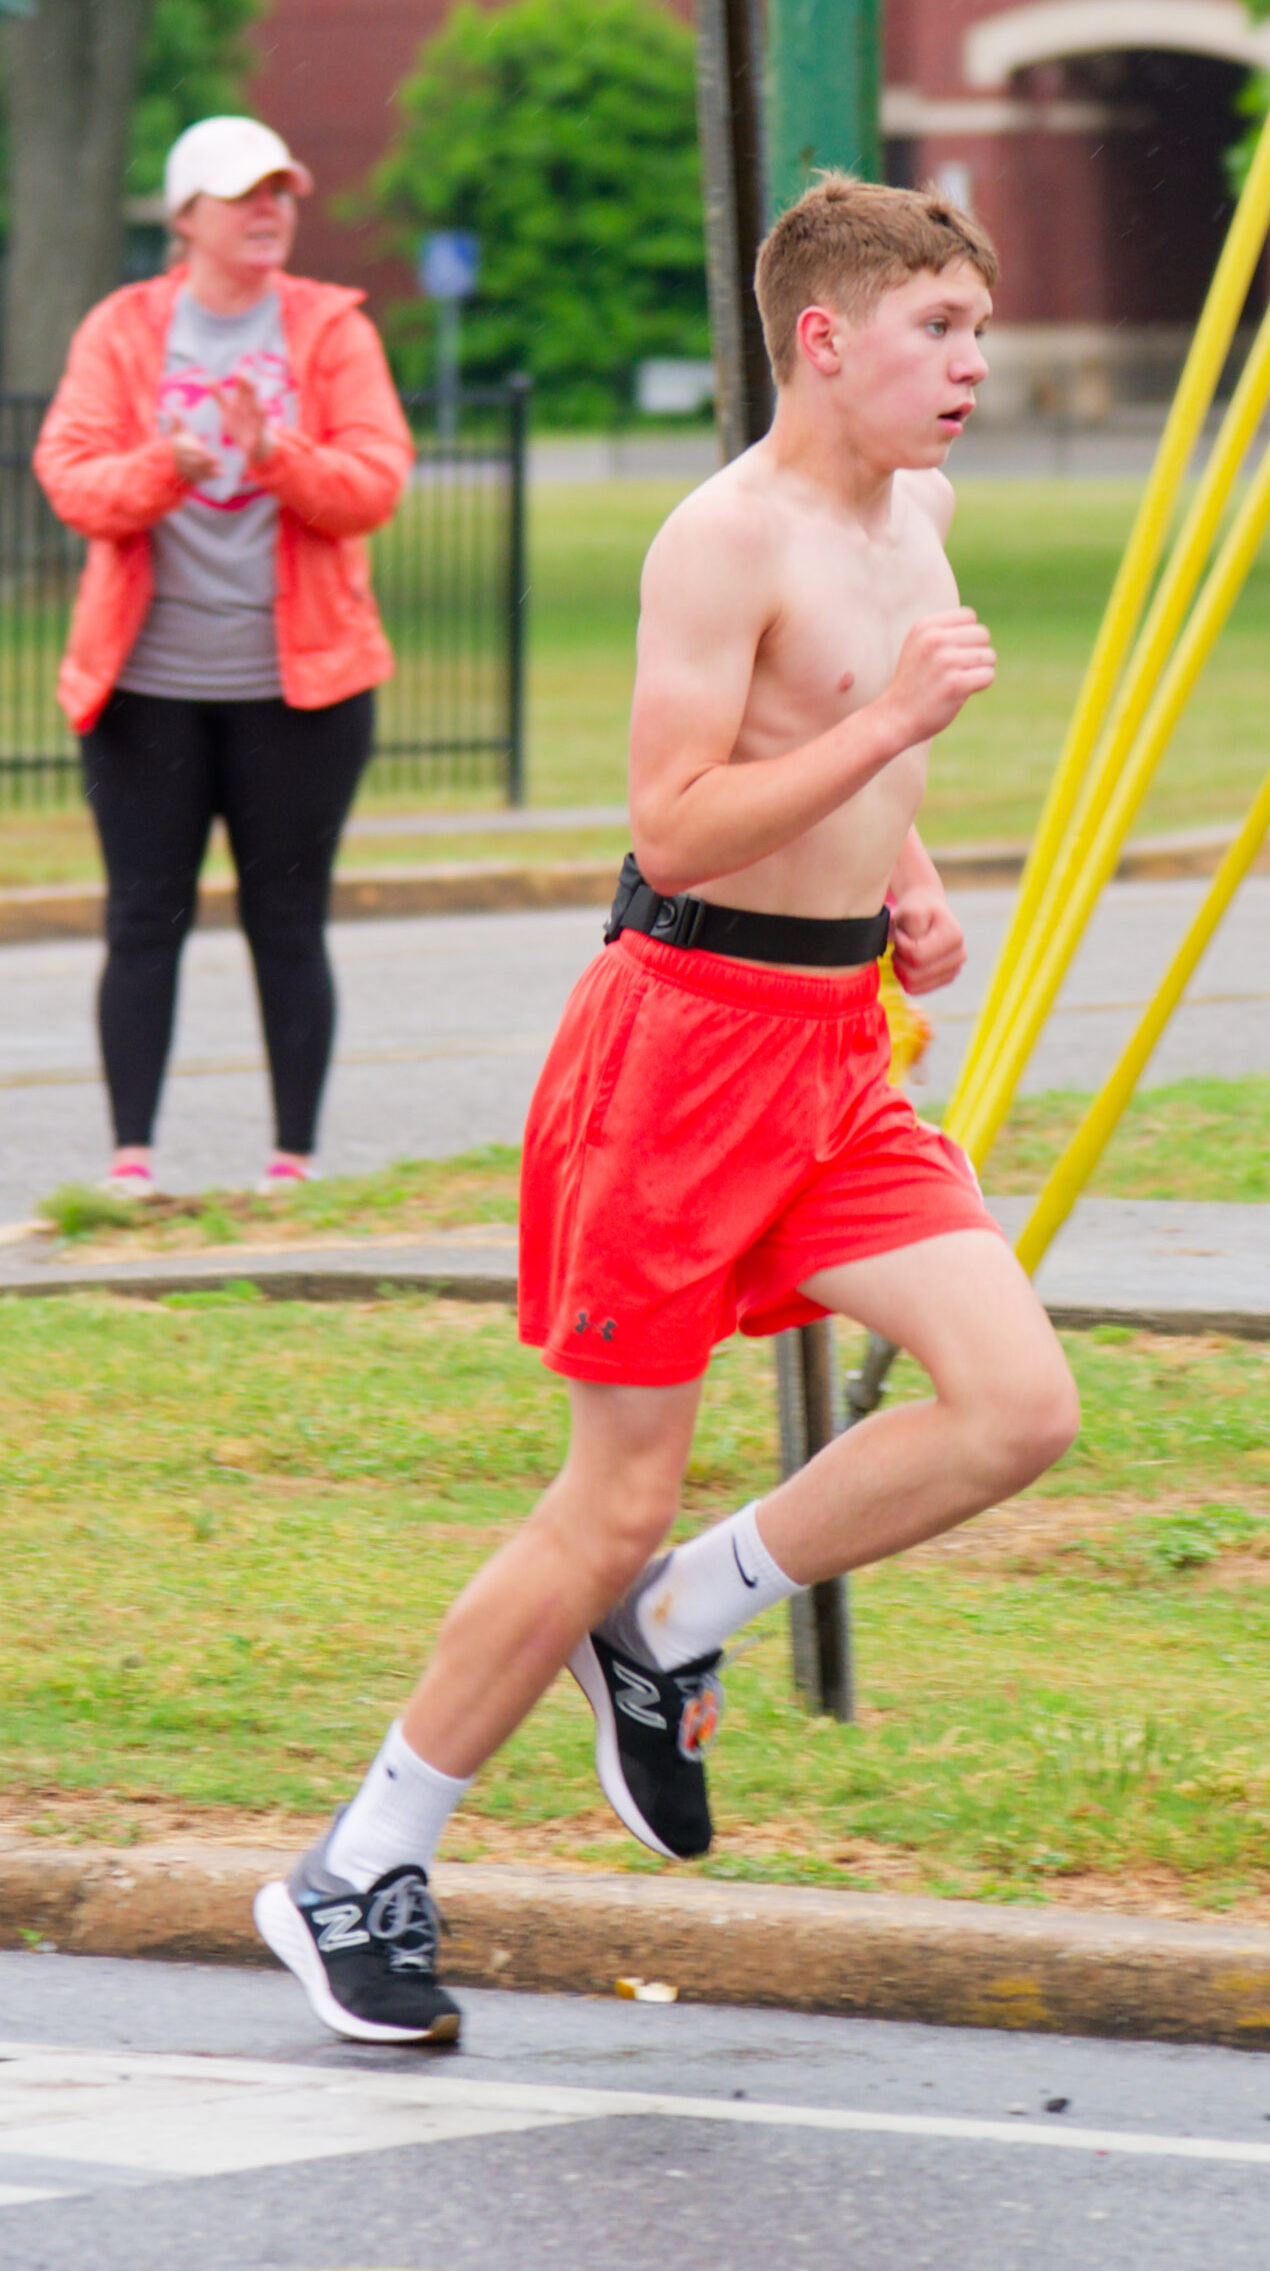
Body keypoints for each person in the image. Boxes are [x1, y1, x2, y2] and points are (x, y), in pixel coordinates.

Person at [254, 176, 1080, 2047]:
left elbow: (832, 764)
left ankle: (678, 1620)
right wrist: (883, 739)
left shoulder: (920, 516)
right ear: (822, 338)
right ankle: (356, 1868)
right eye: (935, 331)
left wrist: (908, 869)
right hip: (678, 1054)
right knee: (607, 1490)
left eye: (975, 329)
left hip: (830, 1051)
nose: (970, 366)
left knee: (1018, 1402)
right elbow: (677, 818)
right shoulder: (725, 538)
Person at [34, 115, 411, 1200]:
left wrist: (271, 453)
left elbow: (375, 483)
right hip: (145, 692)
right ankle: (131, 1162)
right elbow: (72, 478)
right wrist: (168, 465)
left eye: (282, 192)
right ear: (186, 215)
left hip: (301, 693)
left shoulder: (331, 330)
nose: (269, 211)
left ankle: (294, 1159)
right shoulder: (122, 330)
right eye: (244, 194)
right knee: (141, 917)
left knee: (287, 920)